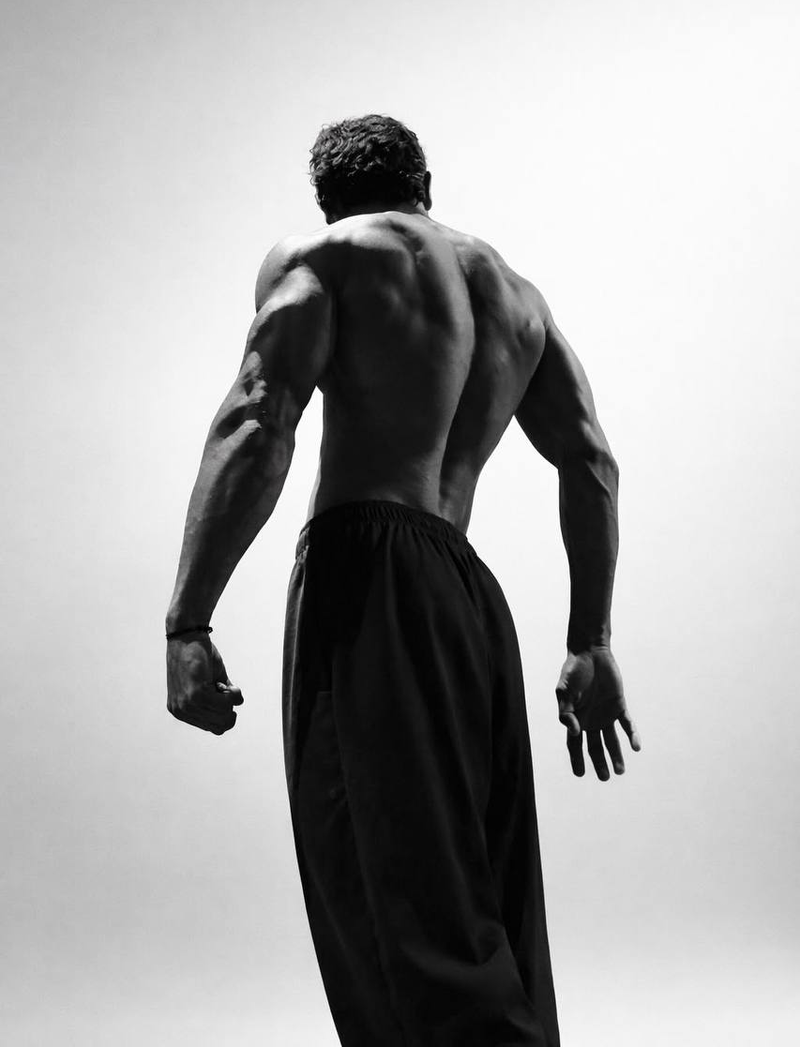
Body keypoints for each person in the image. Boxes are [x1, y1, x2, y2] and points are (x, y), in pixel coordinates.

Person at [165, 114, 641, 1047]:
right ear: (425, 184)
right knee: (485, 895)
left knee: (394, 895)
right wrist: (591, 640)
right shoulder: (516, 296)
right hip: (466, 592)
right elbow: (591, 462)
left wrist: (188, 622)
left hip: (370, 574)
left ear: (329, 200)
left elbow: (260, 417)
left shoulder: (328, 255)